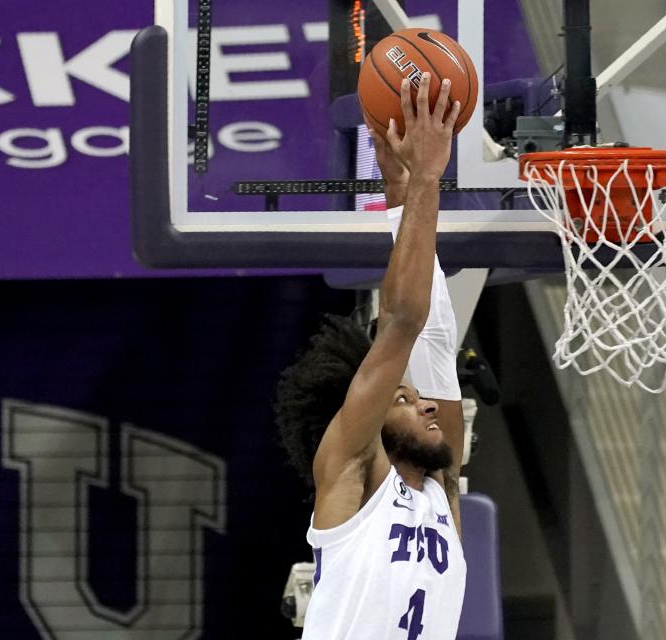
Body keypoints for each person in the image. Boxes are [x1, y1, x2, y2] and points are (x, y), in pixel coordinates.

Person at [275, 72, 467, 640]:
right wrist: (429, 180)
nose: (428, 407)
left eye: (410, 399)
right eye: (406, 399)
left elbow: (429, 332)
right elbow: (403, 323)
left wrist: (404, 193)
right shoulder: (353, 471)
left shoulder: (439, 491)